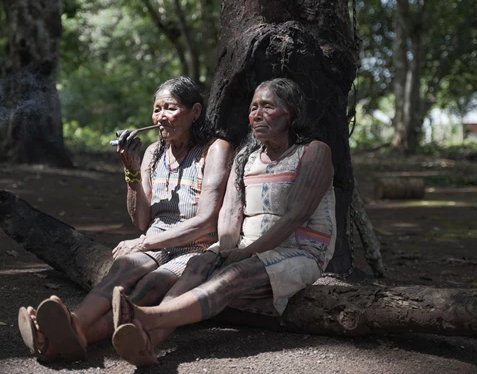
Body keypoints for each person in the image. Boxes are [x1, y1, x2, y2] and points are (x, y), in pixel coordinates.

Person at [110, 77, 337, 367]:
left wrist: (243, 255)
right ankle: (149, 343)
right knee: (198, 264)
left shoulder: (314, 152)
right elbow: (230, 217)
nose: (256, 114)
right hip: (247, 249)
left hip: (300, 251)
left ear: (290, 113)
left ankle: (143, 316)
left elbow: (296, 216)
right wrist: (224, 251)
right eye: (253, 107)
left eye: (267, 107)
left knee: (232, 277)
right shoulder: (246, 157)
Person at [17, 77, 233, 362]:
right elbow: (142, 219)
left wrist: (143, 243)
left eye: (170, 108)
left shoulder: (215, 149)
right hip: (156, 240)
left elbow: (206, 222)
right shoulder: (154, 153)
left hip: (197, 246)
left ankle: (64, 336)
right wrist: (131, 171)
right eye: (157, 110)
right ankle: (73, 326)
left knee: (151, 285)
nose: (160, 117)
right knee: (122, 270)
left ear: (194, 112)